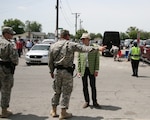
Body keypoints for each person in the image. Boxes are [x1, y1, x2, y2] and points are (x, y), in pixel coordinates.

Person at [48, 30, 106, 119]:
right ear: (67, 36)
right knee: (66, 92)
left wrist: (51, 71)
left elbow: (50, 61)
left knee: (57, 91)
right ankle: (63, 112)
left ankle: (53, 110)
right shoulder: (70, 44)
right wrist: (98, 49)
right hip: (67, 72)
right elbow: (84, 49)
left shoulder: (53, 46)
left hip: (57, 71)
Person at [78, 33, 101, 109]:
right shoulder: (81, 48)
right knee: (85, 86)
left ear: (88, 39)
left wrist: (96, 70)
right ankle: (87, 101)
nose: (82, 41)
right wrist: (79, 71)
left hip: (91, 69)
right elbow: (79, 60)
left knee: (93, 86)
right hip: (84, 69)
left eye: (84, 39)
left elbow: (97, 60)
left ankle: (95, 101)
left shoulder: (94, 48)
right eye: (82, 39)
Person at [0, 27, 19, 118]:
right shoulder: (9, 44)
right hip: (5, 69)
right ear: (6, 33)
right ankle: (4, 111)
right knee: (6, 90)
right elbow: (14, 59)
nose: (12, 36)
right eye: (11, 34)